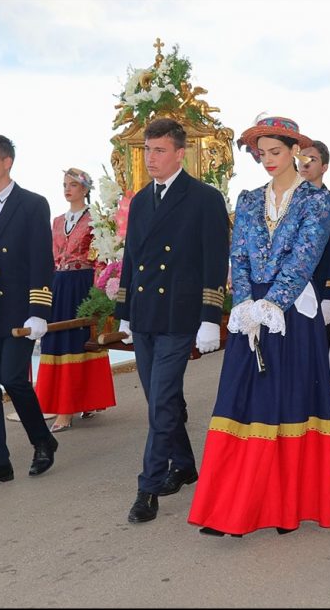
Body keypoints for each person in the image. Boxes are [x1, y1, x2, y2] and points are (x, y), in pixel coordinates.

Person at [188, 116, 330, 537]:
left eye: (276, 152)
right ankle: (232, 509)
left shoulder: (317, 201)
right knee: (241, 400)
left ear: (295, 150)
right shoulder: (249, 199)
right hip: (251, 308)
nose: (268, 160)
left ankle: (282, 506)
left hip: (291, 311)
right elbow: (236, 253)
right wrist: (243, 305)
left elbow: (304, 257)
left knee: (286, 400)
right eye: (262, 154)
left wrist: (272, 303)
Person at [114, 118, 229, 523]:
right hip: (145, 314)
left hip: (180, 315)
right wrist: (124, 313)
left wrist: (210, 317)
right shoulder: (142, 199)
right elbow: (131, 259)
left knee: (161, 400)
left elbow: (214, 259)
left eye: (159, 150)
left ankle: (148, 489)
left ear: (181, 153)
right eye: (147, 150)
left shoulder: (204, 198)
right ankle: (183, 463)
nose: (151, 158)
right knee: (160, 397)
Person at [0, 134, 58, 489]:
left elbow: (40, 259)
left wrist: (38, 311)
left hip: (18, 310)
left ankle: (42, 440)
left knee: (14, 378)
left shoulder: (33, 204)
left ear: (7, 162)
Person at [35, 168, 116, 432]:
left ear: (85, 189)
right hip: (59, 285)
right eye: (64, 185)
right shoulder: (57, 221)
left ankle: (70, 409)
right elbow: (50, 256)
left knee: (80, 340)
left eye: (72, 185)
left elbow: (102, 256)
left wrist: (98, 293)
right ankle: (65, 404)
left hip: (83, 284)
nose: (67, 189)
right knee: (58, 339)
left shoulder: (96, 219)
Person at [299, 139, 330, 344]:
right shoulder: (284, 202)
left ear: (324, 167)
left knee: (316, 362)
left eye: (312, 159)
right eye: (301, 158)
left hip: (320, 292)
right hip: (288, 295)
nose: (304, 163)